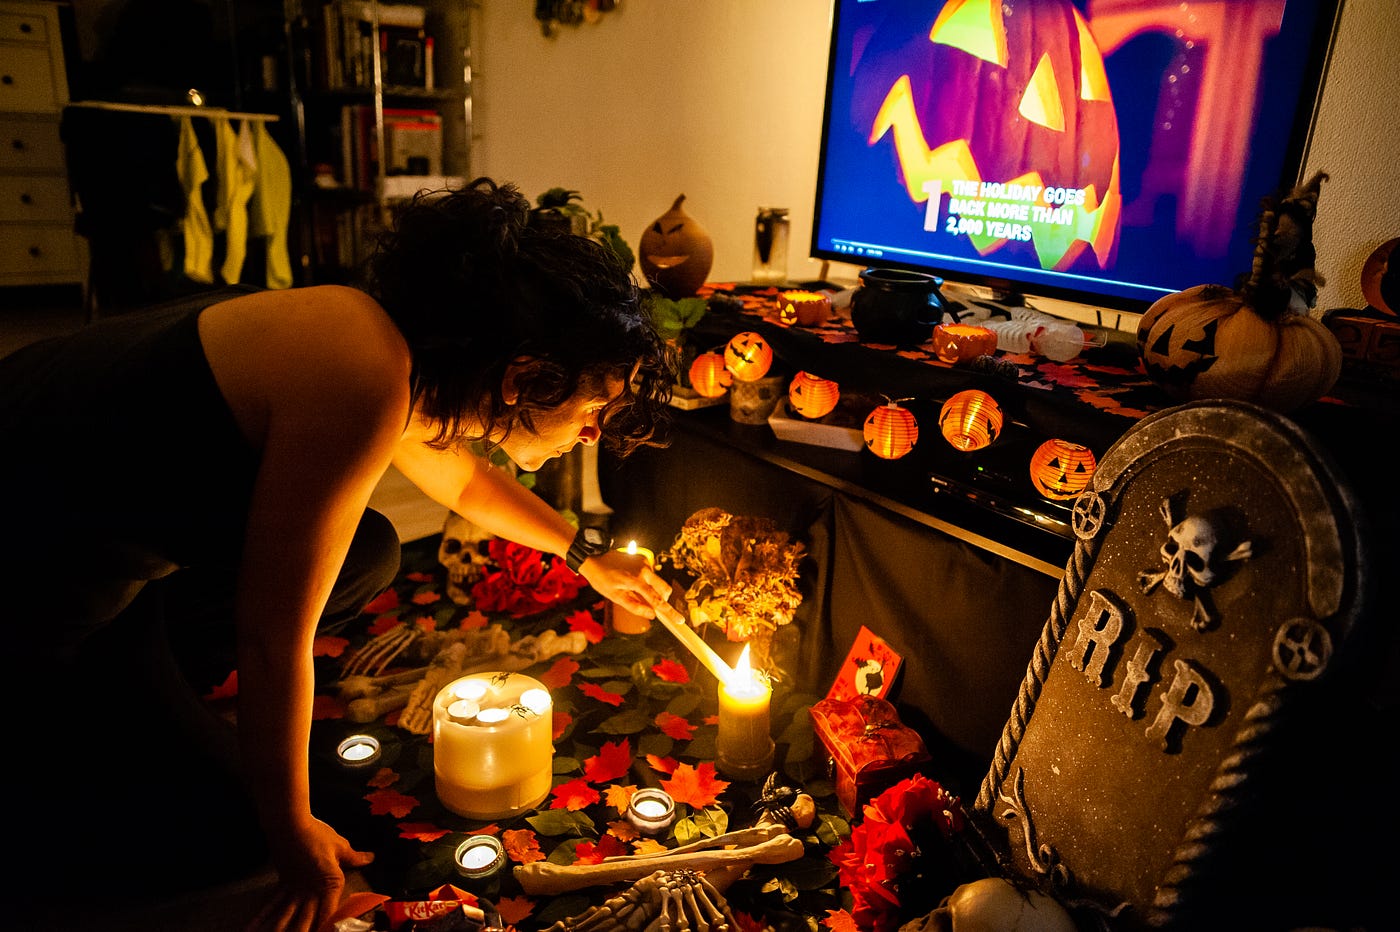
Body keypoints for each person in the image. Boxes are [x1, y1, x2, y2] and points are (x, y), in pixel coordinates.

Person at [1, 177, 677, 931]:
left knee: (366, 551)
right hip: (27, 580)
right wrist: (290, 836)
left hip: (110, 539)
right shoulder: (359, 375)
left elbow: (465, 484)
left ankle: (145, 686)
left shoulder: (378, 337)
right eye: (592, 409)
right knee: (238, 838)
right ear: (523, 376)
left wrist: (587, 556)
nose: (591, 434)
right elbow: (272, 640)